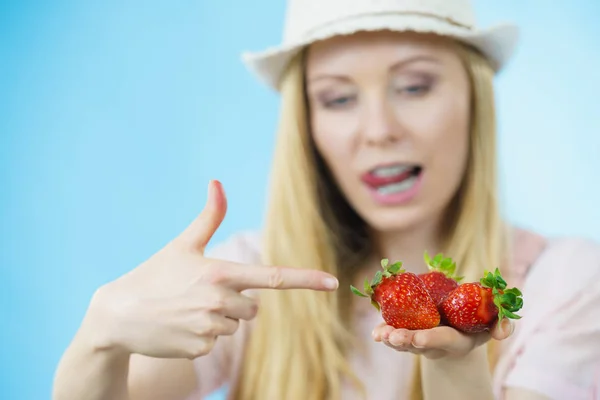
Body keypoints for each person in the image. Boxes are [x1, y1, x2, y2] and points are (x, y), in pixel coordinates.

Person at [52, 0, 600, 399]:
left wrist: (453, 366)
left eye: (414, 86)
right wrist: (103, 334)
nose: (378, 130)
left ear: (475, 102)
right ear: (306, 124)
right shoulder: (249, 278)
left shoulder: (570, 283)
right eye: (337, 98)